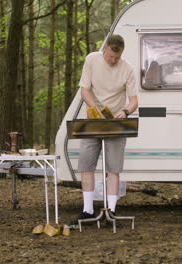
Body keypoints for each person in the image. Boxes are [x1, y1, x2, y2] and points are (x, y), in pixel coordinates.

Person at [70, 34, 138, 225]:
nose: (113, 60)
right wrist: (95, 108)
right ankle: (88, 210)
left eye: (117, 57)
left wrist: (125, 112)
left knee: (113, 168)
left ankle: (112, 211)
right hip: (92, 120)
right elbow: (85, 90)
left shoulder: (127, 69)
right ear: (105, 49)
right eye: (110, 56)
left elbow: (134, 102)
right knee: (86, 165)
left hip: (115, 122)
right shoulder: (91, 60)